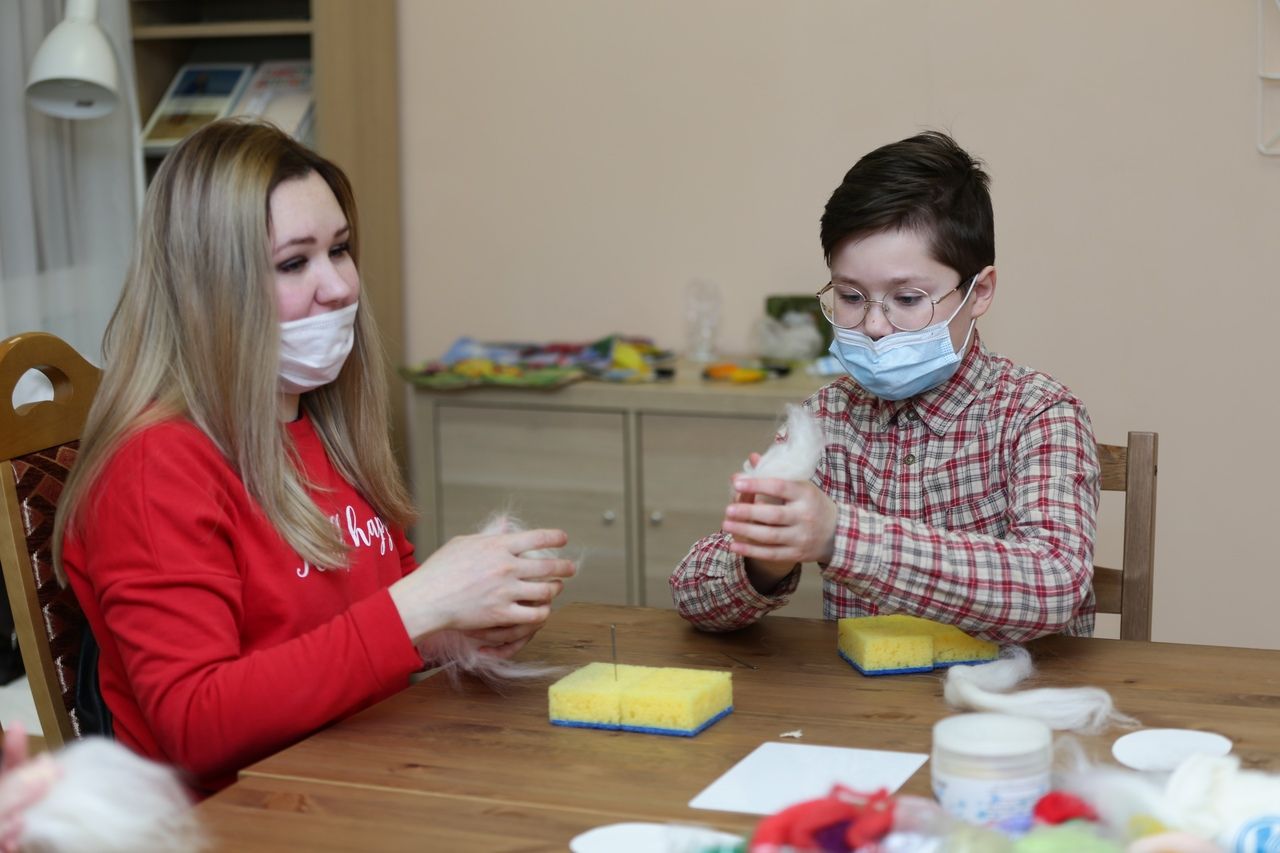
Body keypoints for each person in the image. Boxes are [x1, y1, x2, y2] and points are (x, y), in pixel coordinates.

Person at [53, 119, 576, 795]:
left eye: (340, 249)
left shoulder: (324, 426)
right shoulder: (155, 467)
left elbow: (358, 638)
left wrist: (459, 628)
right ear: (208, 289)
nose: (340, 286)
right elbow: (195, 722)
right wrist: (418, 607)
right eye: (295, 263)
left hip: (356, 782)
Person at [670, 131, 1099, 643]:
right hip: (861, 692)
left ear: (979, 291)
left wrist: (839, 536)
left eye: (908, 299)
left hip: (1017, 691)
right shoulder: (826, 418)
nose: (874, 325)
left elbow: (1053, 584)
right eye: (851, 297)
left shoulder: (1038, 414)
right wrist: (764, 559)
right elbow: (691, 596)